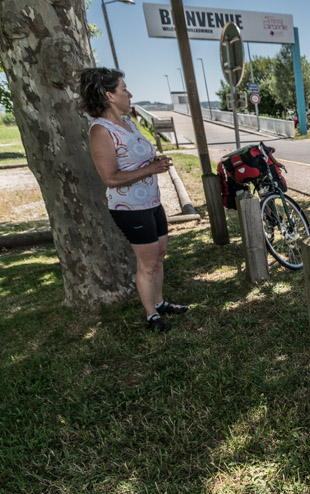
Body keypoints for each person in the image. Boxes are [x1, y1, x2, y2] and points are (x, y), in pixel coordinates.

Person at [79, 67, 187, 333]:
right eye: (124, 89)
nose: (130, 94)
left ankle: (160, 302)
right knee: (147, 263)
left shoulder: (129, 123)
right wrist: (151, 169)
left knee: (160, 255)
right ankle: (152, 316)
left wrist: (155, 161)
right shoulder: (100, 131)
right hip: (130, 208)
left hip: (152, 202)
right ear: (109, 96)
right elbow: (110, 178)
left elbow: (135, 160)